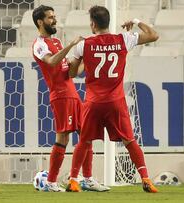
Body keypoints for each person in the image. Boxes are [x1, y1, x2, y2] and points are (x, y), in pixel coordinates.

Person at [66, 5, 159, 193]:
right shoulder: (123, 39)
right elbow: (153, 35)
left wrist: (83, 60)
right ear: (108, 22)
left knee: (84, 141)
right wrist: (135, 21)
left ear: (92, 24)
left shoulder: (84, 45)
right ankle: (146, 178)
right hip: (116, 102)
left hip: (93, 102)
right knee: (129, 141)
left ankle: (74, 180)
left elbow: (72, 73)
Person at [32, 5, 110, 192]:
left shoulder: (57, 41)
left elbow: (70, 73)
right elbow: (51, 61)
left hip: (72, 93)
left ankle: (88, 179)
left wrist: (85, 56)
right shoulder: (39, 44)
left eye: (54, 16)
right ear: (40, 22)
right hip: (60, 96)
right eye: (50, 17)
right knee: (63, 139)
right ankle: (51, 182)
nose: (54, 20)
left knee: (87, 135)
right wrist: (72, 45)